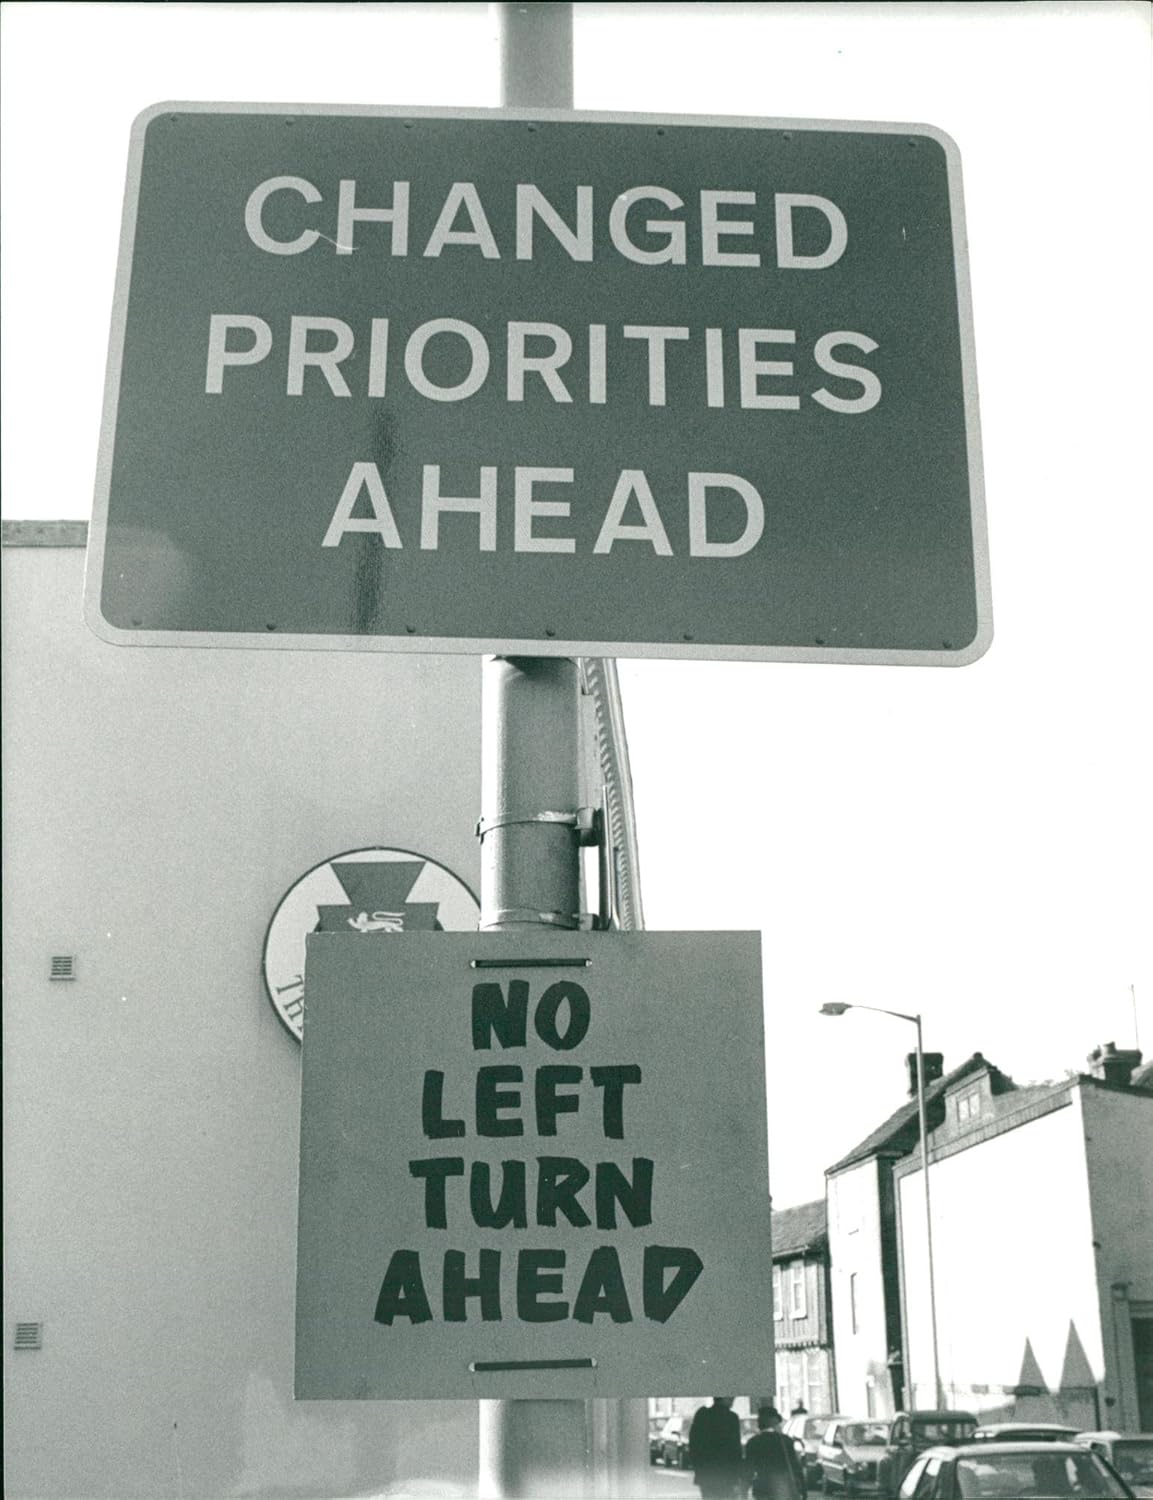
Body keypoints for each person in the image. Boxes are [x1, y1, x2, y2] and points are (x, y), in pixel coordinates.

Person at [744, 1405, 806, 1500]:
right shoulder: (786, 1441)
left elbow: (748, 1469)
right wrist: (803, 1490)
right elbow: (795, 1466)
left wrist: (743, 1490)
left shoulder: (753, 1442)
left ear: (760, 1423)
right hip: (784, 1489)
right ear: (775, 1422)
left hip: (762, 1489)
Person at [689, 1397, 744, 1499]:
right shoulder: (731, 1418)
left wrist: (698, 1468)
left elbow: (693, 1445)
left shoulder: (702, 1415)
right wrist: (737, 1475)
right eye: (730, 1398)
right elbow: (735, 1449)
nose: (733, 1400)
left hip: (707, 1473)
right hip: (726, 1474)